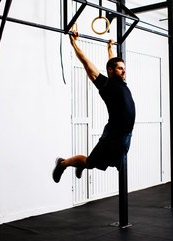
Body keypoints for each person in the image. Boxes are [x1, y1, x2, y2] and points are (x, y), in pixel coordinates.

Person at [53, 30, 136, 183]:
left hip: (126, 134)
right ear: (111, 71)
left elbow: (113, 63)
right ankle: (63, 163)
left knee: (116, 164)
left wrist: (109, 49)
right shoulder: (106, 85)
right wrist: (74, 43)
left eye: (124, 68)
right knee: (90, 162)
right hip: (114, 134)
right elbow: (86, 63)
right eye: (120, 68)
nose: (124, 71)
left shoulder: (119, 83)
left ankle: (82, 166)